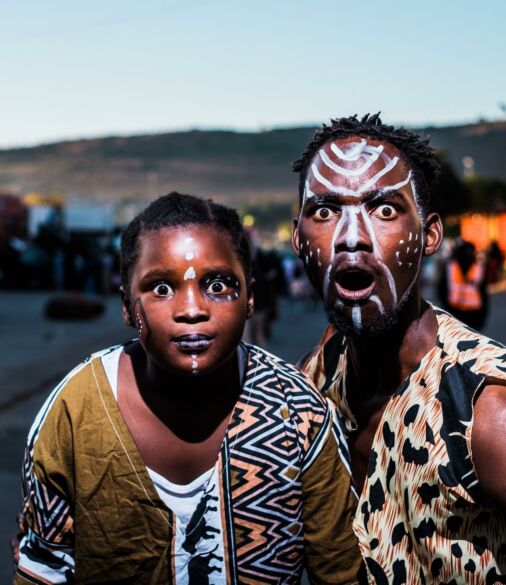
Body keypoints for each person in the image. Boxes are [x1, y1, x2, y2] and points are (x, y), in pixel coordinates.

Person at [292, 114, 506, 584]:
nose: (350, 236)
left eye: (384, 209)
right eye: (325, 211)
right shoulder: (313, 381)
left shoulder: (490, 411)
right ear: (299, 239)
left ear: (430, 236)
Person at [15, 193, 361, 584]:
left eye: (217, 285)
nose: (192, 309)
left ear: (249, 297)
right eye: (162, 288)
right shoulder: (74, 413)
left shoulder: (300, 413)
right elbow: (41, 569)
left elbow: (339, 571)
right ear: (127, 306)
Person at [437, 239, 488, 330]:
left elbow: (483, 293)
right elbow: (441, 289)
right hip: (455, 312)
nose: (467, 255)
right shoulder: (451, 267)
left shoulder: (478, 268)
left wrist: (482, 315)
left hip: (473, 314)